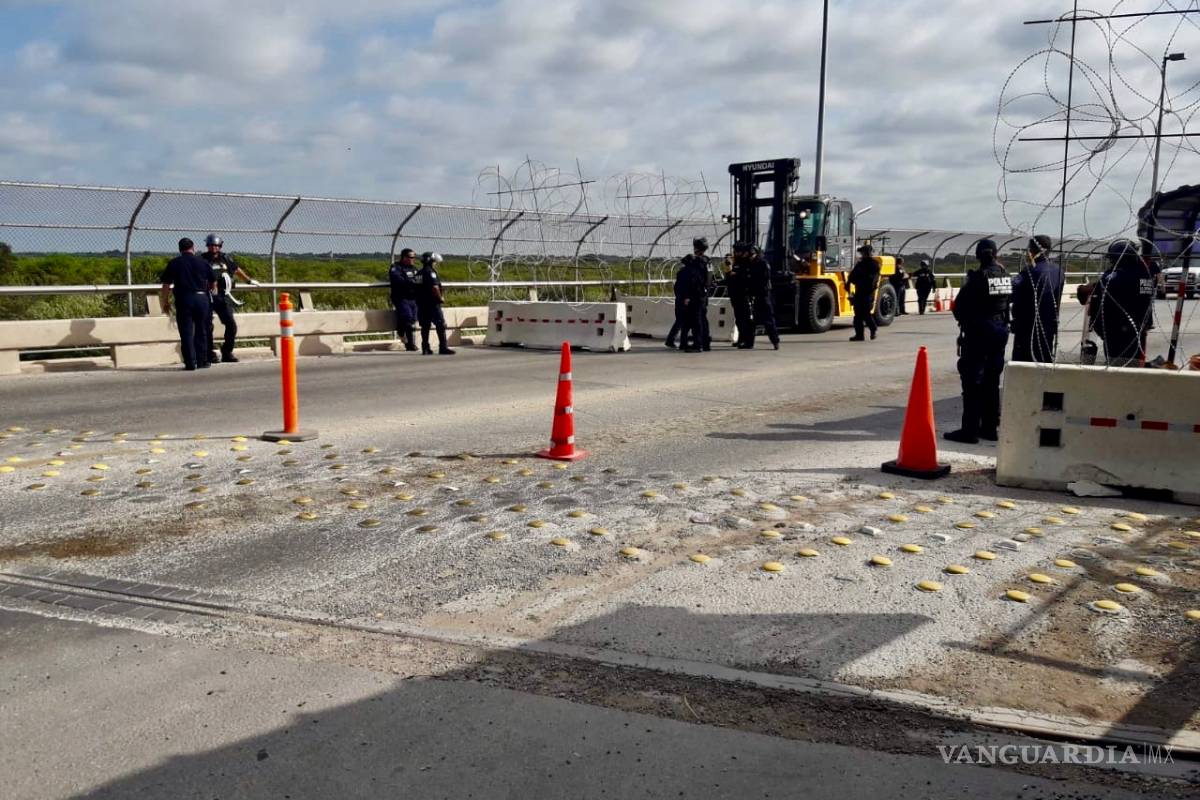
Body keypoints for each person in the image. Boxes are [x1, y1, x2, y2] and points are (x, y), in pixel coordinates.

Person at [945, 239, 1012, 444]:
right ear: (995, 254)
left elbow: (959, 308)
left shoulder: (977, 278)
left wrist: (967, 324)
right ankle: (990, 428)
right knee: (992, 381)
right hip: (1000, 331)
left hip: (979, 333)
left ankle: (970, 430)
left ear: (977, 256)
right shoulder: (1005, 276)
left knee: (972, 381)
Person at [1088, 239, 1155, 367]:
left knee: (1118, 370)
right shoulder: (1145, 274)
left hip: (1117, 334)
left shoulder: (1112, 278)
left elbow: (1098, 306)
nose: (1111, 262)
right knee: (1134, 367)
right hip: (1138, 331)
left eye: (1113, 259)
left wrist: (1101, 331)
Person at [159, 238, 216, 371]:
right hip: (202, 298)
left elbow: (166, 284)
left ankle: (190, 362)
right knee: (201, 330)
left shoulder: (174, 263)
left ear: (179, 249)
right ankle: (202, 361)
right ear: (193, 247)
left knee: (186, 332)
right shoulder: (203, 262)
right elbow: (213, 282)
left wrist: (165, 302)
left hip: (184, 299)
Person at [202, 234, 258, 364]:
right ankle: (209, 353)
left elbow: (237, 269)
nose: (213, 248)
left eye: (216, 245)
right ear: (207, 246)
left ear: (220, 246)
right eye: (211, 245)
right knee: (207, 326)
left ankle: (227, 352)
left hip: (223, 296)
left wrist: (248, 281)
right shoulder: (203, 259)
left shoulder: (225, 259)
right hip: (208, 296)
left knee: (231, 325)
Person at [1010, 235, 1065, 363]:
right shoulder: (1059, 271)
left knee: (1023, 368)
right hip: (1048, 327)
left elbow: (1011, 291)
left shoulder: (1029, 271)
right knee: (1044, 364)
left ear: (1033, 251)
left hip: (1027, 329)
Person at [668, 237, 710, 352]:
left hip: (696, 296)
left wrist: (688, 296)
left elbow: (694, 281)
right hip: (702, 295)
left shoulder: (698, 263)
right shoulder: (707, 262)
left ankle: (698, 345)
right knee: (702, 320)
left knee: (696, 321)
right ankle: (704, 343)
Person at [414, 251, 455, 355]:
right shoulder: (430, 272)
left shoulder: (419, 273)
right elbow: (434, 287)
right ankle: (443, 347)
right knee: (440, 324)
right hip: (432, 303)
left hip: (421, 303)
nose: (435, 263)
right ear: (431, 261)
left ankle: (425, 347)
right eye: (434, 262)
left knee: (425, 326)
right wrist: (440, 298)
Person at [743, 245, 780, 350]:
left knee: (768, 320)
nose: (750, 257)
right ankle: (749, 342)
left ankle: (775, 341)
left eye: (752, 255)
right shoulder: (749, 264)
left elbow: (765, 280)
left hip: (763, 295)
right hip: (754, 295)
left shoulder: (763, 264)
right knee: (751, 321)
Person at [388, 248, 420, 351]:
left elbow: (420, 281)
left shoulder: (414, 269)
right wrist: (411, 282)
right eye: (411, 257)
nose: (413, 259)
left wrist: (412, 282)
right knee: (408, 319)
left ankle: (400, 330)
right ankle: (410, 344)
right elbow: (398, 280)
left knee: (413, 319)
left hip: (413, 298)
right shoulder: (396, 268)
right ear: (404, 257)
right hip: (401, 297)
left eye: (414, 257)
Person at [847, 244, 881, 341]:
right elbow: (852, 276)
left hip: (867, 293)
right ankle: (859, 335)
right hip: (858, 292)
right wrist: (849, 283)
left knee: (866, 314)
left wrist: (859, 279)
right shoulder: (860, 264)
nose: (862, 254)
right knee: (857, 315)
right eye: (862, 252)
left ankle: (873, 329)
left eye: (863, 252)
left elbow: (872, 280)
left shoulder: (874, 264)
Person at [726, 242, 753, 347]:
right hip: (735, 294)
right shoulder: (735, 263)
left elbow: (746, 277)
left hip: (743, 294)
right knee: (739, 318)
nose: (735, 253)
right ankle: (742, 338)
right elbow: (729, 278)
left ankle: (747, 340)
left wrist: (735, 275)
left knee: (745, 318)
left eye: (736, 251)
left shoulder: (746, 263)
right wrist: (729, 270)